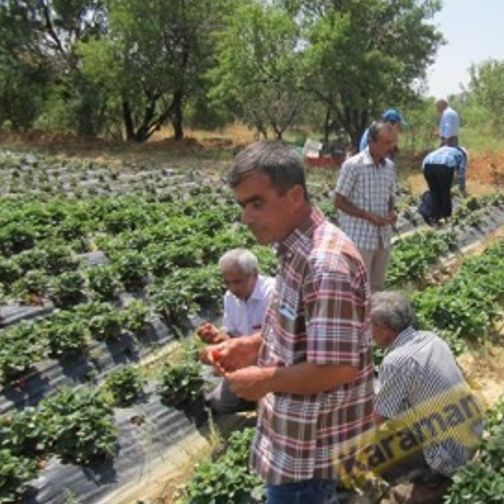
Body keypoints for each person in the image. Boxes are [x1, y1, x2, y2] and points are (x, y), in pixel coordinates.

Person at [205, 141, 375, 504]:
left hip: (311, 454)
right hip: (292, 437)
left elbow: (338, 369)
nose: (246, 217)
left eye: (257, 203)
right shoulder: (293, 250)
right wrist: (248, 346)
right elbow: (296, 329)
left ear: (295, 195)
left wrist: (263, 380)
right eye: (243, 205)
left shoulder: (324, 265)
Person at [370, 291, 483, 489]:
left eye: (370, 326)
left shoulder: (396, 361)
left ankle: (431, 480)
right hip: (473, 433)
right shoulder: (431, 339)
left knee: (372, 453)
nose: (367, 332)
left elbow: (377, 422)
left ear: (385, 329)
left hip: (450, 456)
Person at [196, 248, 275, 413]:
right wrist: (217, 337)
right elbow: (231, 335)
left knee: (271, 406)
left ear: (255, 274)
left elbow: (284, 338)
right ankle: (257, 401)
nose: (232, 288)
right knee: (220, 403)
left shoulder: (274, 293)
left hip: (276, 363)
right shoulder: (230, 298)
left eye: (238, 281)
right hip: (244, 361)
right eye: (227, 282)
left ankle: (269, 402)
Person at [334, 121, 399, 292]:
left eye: (392, 142)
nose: (390, 147)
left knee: (377, 286)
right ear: (371, 141)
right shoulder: (353, 166)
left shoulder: (389, 167)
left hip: (382, 237)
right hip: (359, 238)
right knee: (357, 287)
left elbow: (391, 196)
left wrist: (392, 212)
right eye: (385, 142)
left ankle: (373, 318)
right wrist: (368, 216)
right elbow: (338, 201)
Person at [420, 142, 467, 224]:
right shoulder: (461, 155)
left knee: (434, 192)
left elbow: (424, 165)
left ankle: (434, 216)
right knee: (445, 192)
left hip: (427, 165)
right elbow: (461, 173)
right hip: (443, 167)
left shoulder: (443, 149)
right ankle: (447, 216)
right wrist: (462, 187)